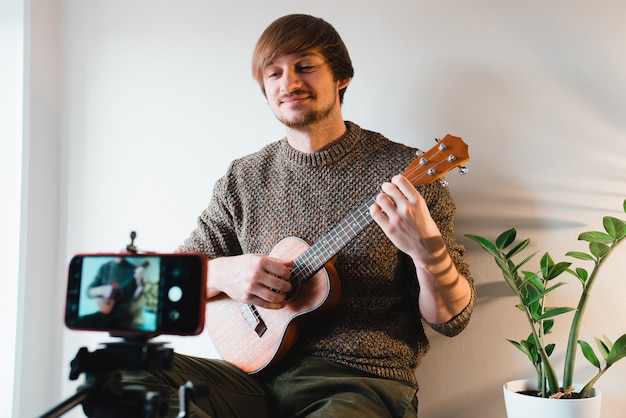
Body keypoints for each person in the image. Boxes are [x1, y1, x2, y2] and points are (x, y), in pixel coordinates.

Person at [124, 14, 475, 417]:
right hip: (251, 381)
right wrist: (227, 275)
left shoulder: (407, 175)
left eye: (305, 67)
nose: (289, 83)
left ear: (341, 78)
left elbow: (451, 320)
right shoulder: (245, 177)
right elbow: (169, 280)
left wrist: (427, 250)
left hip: (358, 384)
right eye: (274, 74)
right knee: (120, 375)